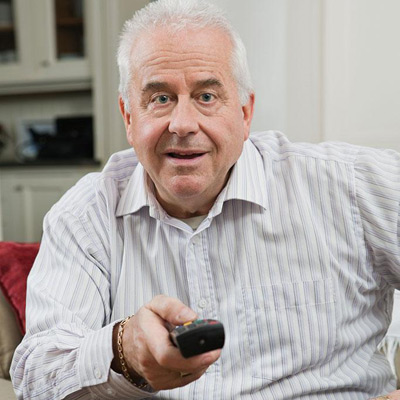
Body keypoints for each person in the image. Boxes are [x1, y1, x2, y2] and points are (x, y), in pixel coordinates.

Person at [10, 0, 400, 399]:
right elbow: (36, 376)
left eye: (207, 96)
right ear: (128, 117)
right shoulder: (85, 215)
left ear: (245, 113)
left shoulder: (346, 185)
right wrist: (123, 349)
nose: (182, 124)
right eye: (160, 99)